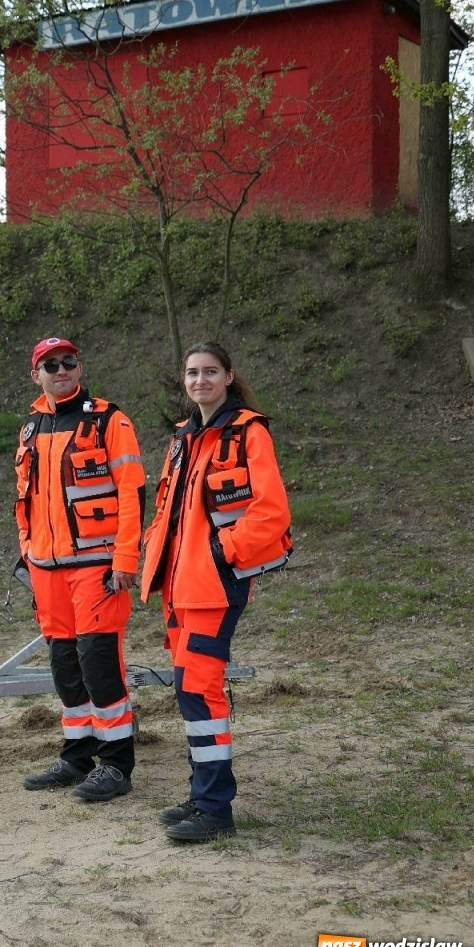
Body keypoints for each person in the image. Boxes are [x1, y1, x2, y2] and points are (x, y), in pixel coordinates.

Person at [140, 342, 291, 842]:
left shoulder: (249, 432)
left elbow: (271, 513)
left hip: (214, 586)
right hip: (179, 586)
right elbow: (167, 511)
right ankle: (201, 795)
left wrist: (223, 552)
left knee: (199, 690)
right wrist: (153, 552)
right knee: (189, 690)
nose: (200, 380)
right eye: (192, 372)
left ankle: (214, 808)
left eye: (210, 371)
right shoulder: (184, 436)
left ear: (228, 376)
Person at [14, 337, 146, 803]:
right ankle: (77, 758)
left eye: (68, 362)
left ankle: (116, 765)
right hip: (47, 569)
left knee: (99, 662)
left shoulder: (109, 420)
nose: (61, 370)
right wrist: (28, 550)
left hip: (97, 567)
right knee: (66, 667)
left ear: (80, 367)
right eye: (50, 365)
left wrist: (126, 558)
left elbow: (132, 492)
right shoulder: (31, 427)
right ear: (36, 375)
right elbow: (23, 499)